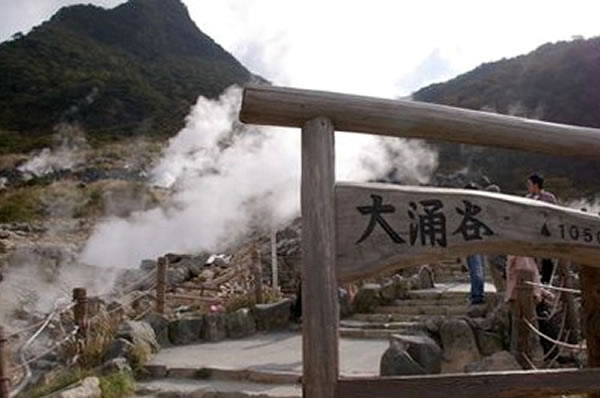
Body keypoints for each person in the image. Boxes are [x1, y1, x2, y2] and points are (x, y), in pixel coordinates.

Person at [526, 174, 558, 283]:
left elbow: (554, 214)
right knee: (531, 258)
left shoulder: (549, 198)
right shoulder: (527, 198)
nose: (528, 187)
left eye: (530, 184)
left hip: (546, 232)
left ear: (536, 185)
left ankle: (546, 281)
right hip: (531, 232)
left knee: (546, 259)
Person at [464, 182, 485, 305]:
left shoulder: (474, 207)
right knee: (475, 268)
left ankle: (477, 296)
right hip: (474, 241)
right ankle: (475, 293)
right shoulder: (476, 205)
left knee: (476, 269)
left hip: (474, 241)